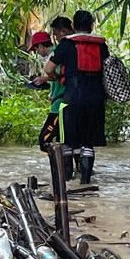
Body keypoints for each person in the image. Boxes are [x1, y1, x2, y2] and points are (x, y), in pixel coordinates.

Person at [44, 10, 108, 184]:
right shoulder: (101, 46)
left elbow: (48, 69)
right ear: (92, 25)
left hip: (72, 100)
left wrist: (58, 77)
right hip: (96, 100)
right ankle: (86, 182)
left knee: (68, 143)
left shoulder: (66, 45)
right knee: (88, 145)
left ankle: (67, 184)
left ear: (73, 26)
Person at [36, 16, 74, 158]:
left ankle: (60, 170)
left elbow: (50, 70)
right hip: (73, 103)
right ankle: (75, 175)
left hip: (60, 105)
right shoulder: (74, 49)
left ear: (63, 31)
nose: (56, 38)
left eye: (56, 35)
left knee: (44, 140)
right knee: (71, 142)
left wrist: (47, 77)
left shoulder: (61, 50)